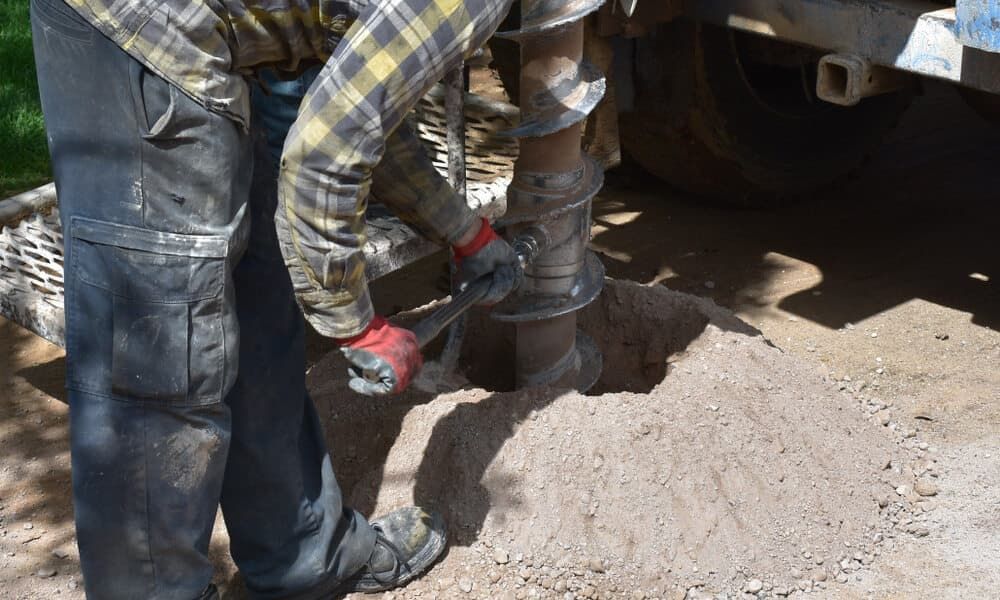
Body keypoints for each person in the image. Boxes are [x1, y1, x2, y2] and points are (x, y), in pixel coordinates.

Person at [29, 0, 518, 597]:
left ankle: (306, 559)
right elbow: (326, 153)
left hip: (224, 47)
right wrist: (356, 325)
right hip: (139, 32)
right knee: (158, 351)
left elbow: (360, 111)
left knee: (259, 302)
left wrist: (465, 232)